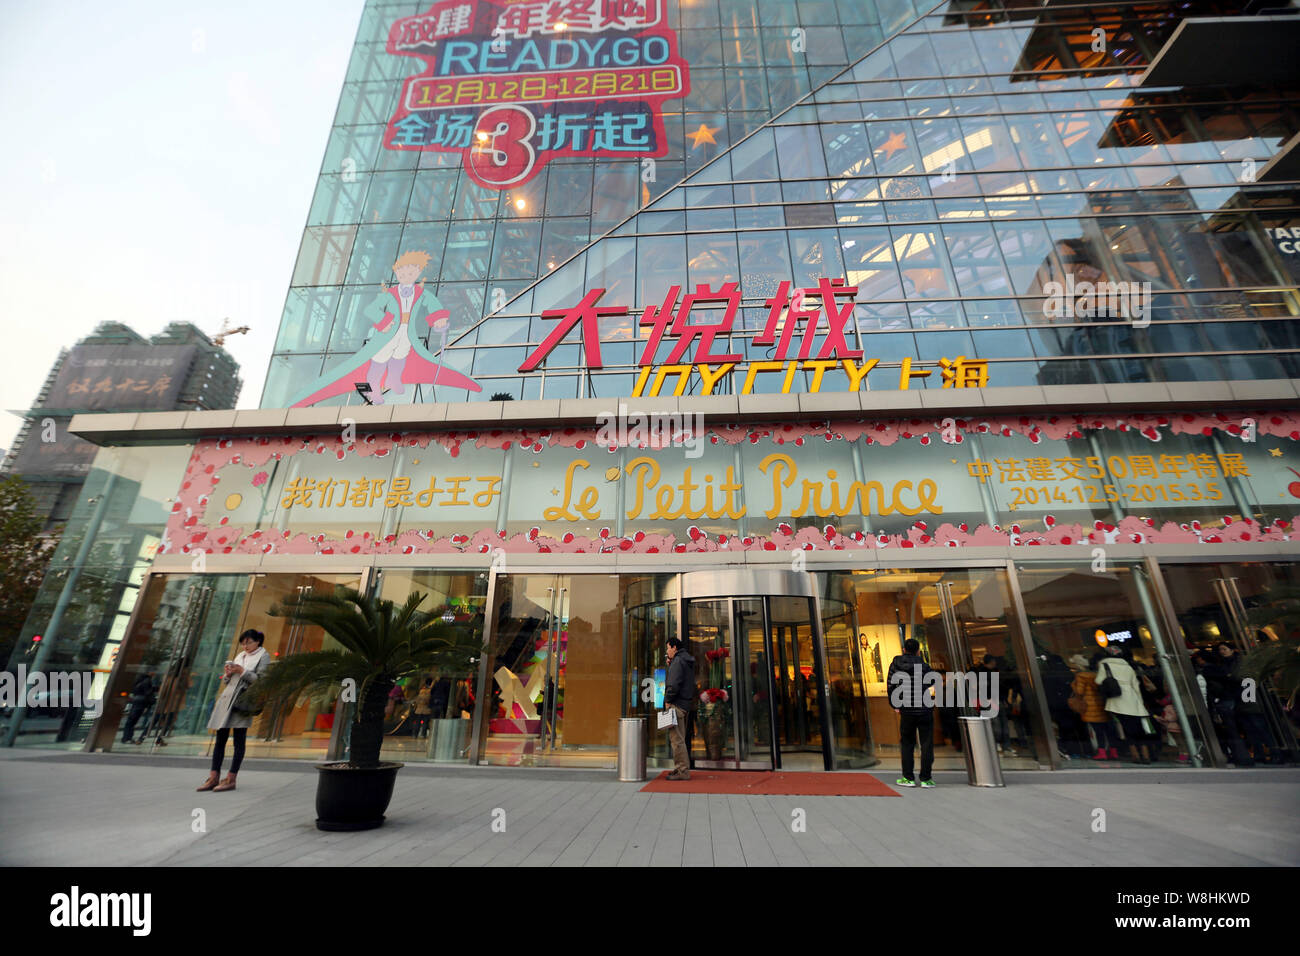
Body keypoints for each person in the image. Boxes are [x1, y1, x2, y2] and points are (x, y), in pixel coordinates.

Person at [198, 629, 270, 793]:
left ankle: (231, 778)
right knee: (220, 740)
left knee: (239, 741)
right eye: (243, 643)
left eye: (249, 642)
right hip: (227, 699)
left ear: (258, 641)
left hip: (243, 702)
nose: (245, 645)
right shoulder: (240, 656)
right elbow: (227, 682)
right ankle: (213, 777)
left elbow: (262, 681)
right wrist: (228, 674)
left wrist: (242, 671)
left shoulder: (263, 656)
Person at [888, 638, 937, 788]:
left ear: (904, 649)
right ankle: (926, 778)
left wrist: (895, 704)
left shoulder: (896, 664)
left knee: (907, 743)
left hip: (906, 709)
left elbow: (891, 685)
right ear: (918, 651)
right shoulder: (924, 665)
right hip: (924, 708)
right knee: (927, 744)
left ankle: (908, 778)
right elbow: (932, 683)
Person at [1096, 646, 1151, 763]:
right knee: (1139, 729)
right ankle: (1145, 755)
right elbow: (1135, 685)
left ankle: (1135, 755)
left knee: (1126, 728)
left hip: (1117, 700)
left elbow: (1099, 681)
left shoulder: (1104, 665)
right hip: (1132, 699)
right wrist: (1140, 702)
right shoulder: (1128, 667)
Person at [662, 637, 696, 780]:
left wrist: (668, 700)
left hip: (677, 704)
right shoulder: (685, 660)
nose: (667, 651)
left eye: (668, 648)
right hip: (685, 704)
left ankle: (682, 770)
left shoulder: (678, 661)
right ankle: (681, 769)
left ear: (674, 648)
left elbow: (673, 684)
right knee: (680, 738)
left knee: (677, 740)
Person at [1070, 654, 1114, 760]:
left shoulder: (1080, 676)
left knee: (1097, 730)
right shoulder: (1095, 674)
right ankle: (1113, 751)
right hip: (1101, 704)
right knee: (1108, 730)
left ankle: (1102, 752)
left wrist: (1073, 685)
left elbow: (1079, 692)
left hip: (1090, 706)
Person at [121, 672, 157, 745]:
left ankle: (126, 737)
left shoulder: (139, 680)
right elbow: (148, 692)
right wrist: (155, 690)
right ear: (150, 674)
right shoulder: (147, 681)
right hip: (141, 702)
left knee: (131, 720)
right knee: (133, 720)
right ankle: (128, 738)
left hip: (136, 700)